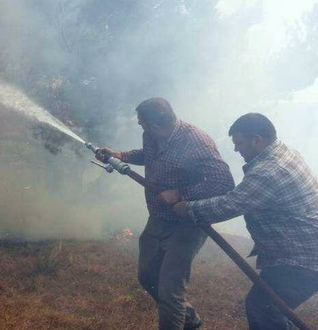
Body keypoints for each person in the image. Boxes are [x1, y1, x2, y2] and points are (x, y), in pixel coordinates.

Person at [164, 113, 318, 330]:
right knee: (270, 310)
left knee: (263, 308)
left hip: (301, 259)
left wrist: (184, 208)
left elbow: (230, 205)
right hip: (303, 251)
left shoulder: (270, 171)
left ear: (257, 139)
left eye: (239, 143)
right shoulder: (286, 152)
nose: (236, 150)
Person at [100, 97, 235, 330]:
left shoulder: (196, 141)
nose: (141, 128)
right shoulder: (152, 135)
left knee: (170, 290)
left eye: (142, 124)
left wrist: (182, 194)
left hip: (187, 224)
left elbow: (223, 182)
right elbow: (149, 155)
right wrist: (121, 155)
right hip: (158, 218)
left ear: (156, 126)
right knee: (147, 276)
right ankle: (190, 322)